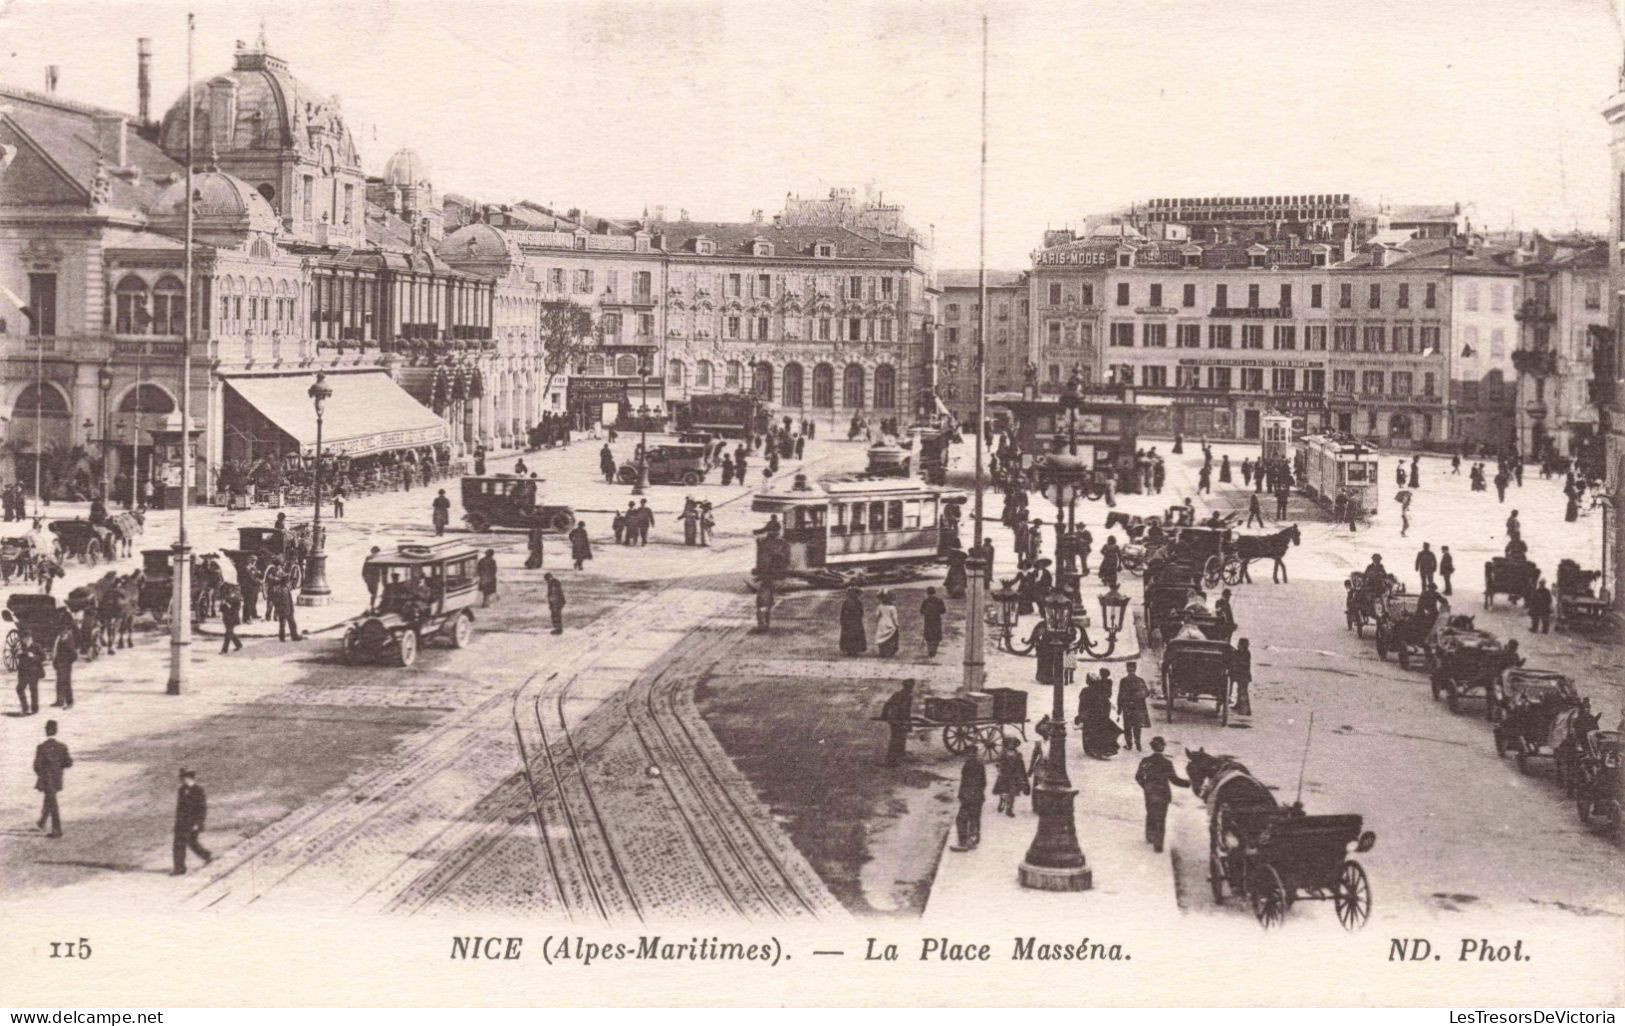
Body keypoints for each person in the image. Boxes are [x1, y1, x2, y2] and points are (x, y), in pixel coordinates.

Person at [1135, 737, 1189, 853]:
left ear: (1151, 747)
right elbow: (1174, 780)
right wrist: (1188, 783)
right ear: (1163, 747)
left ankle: (1150, 836)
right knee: (1161, 818)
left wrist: (1146, 786)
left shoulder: (1146, 761)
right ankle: (1158, 845)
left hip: (1150, 794)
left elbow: (1138, 777)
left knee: (1150, 813)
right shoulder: (1166, 763)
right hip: (1163, 794)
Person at [33, 719, 71, 838]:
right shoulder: (62, 747)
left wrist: (42, 774)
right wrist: (58, 768)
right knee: (49, 799)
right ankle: (42, 822)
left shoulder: (41, 747)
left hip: (46, 779)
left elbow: (36, 766)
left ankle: (57, 830)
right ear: (56, 730)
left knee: (52, 803)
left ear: (47, 731)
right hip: (57, 779)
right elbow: (68, 763)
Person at [171, 768, 212, 875]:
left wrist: (198, 823)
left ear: (189, 778)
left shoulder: (198, 790)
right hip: (181, 823)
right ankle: (179, 868)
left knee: (191, 842)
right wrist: (177, 823)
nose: (181, 780)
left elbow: (202, 808)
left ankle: (206, 855)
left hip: (192, 823)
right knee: (179, 845)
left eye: (183, 778)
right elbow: (179, 808)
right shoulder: (181, 790)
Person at [950, 748, 986, 851]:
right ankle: (973, 841)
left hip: (968, 796)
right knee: (975, 818)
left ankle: (963, 842)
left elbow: (965, 782)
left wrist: (962, 795)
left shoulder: (968, 766)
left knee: (961, 819)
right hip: (978, 796)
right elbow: (983, 782)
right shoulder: (980, 764)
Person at [1117, 661, 1150, 752]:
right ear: (1135, 669)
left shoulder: (1123, 681)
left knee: (1127, 726)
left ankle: (1129, 745)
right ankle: (1138, 744)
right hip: (1138, 707)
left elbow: (1120, 695)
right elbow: (1147, 693)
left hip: (1127, 706)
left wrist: (1119, 707)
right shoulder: (1140, 680)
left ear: (1127, 669)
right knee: (1137, 726)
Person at [880, 679, 914, 767]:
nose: (912, 688)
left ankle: (899, 756)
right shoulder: (908, 696)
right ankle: (890, 761)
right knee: (897, 739)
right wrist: (908, 723)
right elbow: (907, 711)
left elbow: (887, 704)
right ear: (909, 687)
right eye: (911, 686)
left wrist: (883, 715)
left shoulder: (897, 694)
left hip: (893, 719)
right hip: (900, 720)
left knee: (898, 737)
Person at [993, 737, 1029, 816]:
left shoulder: (1018, 754)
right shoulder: (1003, 753)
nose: (1011, 745)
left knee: (1012, 793)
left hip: (1014, 776)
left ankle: (1009, 809)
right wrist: (999, 768)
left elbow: (1021, 765)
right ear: (1006, 744)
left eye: (1013, 744)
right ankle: (1002, 801)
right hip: (1004, 775)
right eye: (1010, 743)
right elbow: (997, 762)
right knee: (1004, 792)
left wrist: (1022, 776)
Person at [16, 635, 44, 715]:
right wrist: (19, 654)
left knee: (33, 691)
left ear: (28, 639)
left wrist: (34, 656)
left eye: (24, 639)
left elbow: (43, 657)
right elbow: (20, 658)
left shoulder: (37, 646)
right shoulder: (22, 647)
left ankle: (34, 709)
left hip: (33, 673)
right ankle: (25, 707)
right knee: (19, 689)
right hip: (23, 673)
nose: (23, 641)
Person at [50, 631, 76, 708]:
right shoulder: (60, 640)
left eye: (62, 635)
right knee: (59, 683)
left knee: (66, 684)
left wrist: (67, 663)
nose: (61, 636)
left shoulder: (69, 642)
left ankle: (69, 702)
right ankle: (59, 701)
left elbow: (74, 655)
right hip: (59, 664)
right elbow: (56, 652)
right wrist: (55, 662)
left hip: (65, 666)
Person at [919, 587, 946, 657]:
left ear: (927, 593)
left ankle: (930, 650)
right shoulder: (939, 600)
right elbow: (943, 611)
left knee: (929, 636)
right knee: (936, 635)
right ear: (934, 592)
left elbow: (921, 611)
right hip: (936, 620)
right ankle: (934, 650)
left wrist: (927, 613)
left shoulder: (925, 601)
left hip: (928, 621)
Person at [839, 587, 867, 656]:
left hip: (848, 622)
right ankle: (855, 650)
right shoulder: (858, 603)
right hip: (856, 622)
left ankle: (849, 650)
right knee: (855, 635)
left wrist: (842, 620)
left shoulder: (846, 602)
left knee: (848, 635)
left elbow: (842, 612)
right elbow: (861, 612)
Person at [1230, 638, 1253, 715]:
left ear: (1243, 646)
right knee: (1239, 690)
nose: (1238, 645)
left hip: (1244, 675)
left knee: (1243, 692)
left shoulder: (1247, 653)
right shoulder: (1239, 652)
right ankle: (1238, 706)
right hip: (1239, 675)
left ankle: (1245, 711)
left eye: (1239, 644)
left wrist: (1236, 662)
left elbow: (1244, 663)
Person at [874, 590, 900, 657]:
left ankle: (882, 652)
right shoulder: (892, 608)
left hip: (882, 623)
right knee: (891, 638)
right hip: (890, 623)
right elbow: (894, 617)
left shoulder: (880, 606)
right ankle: (890, 652)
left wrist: (877, 621)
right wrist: (897, 624)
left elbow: (877, 615)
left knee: (882, 637)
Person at [218, 587, 243, 655]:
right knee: (230, 633)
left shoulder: (236, 599)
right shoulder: (225, 599)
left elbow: (237, 609)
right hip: (226, 619)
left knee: (228, 634)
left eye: (231, 593)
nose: (230, 594)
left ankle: (224, 650)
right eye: (229, 593)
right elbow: (221, 609)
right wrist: (222, 604)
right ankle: (239, 645)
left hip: (233, 619)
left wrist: (229, 606)